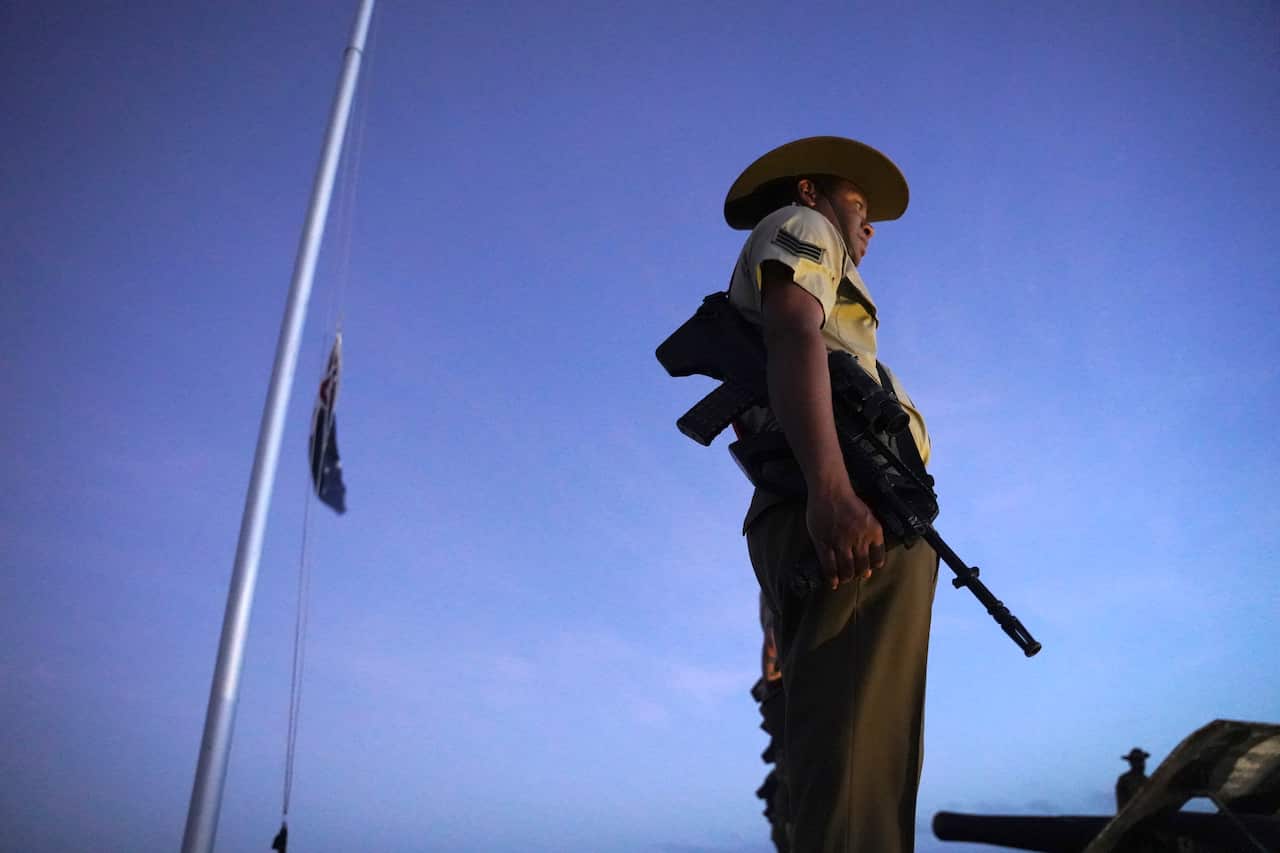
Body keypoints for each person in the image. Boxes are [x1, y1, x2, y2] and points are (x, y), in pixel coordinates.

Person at [723, 137, 939, 852]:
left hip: (863, 509)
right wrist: (833, 490)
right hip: (850, 514)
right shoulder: (804, 226)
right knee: (854, 779)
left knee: (863, 768)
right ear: (811, 193)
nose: (869, 224)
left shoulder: (829, 261)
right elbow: (792, 331)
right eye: (858, 204)